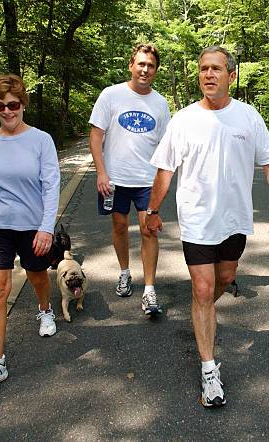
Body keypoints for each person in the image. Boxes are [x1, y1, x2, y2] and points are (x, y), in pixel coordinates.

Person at [147, 46, 269, 407]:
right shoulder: (183, 120)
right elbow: (165, 169)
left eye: (216, 69)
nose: (209, 75)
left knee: (224, 278)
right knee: (203, 286)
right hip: (196, 220)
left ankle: (202, 315)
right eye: (203, 69)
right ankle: (210, 370)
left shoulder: (248, 117)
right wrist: (152, 209)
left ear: (230, 75)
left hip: (235, 220)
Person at [0, 74, 60, 391]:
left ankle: (45, 309)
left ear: (23, 104)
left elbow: (51, 186)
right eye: (0, 106)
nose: (7, 111)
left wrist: (47, 226)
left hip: (31, 225)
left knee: (36, 274)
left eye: (13, 104)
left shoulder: (41, 140)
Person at [89, 43, 171, 314]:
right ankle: (125, 271)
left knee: (149, 230)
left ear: (156, 70)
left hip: (147, 180)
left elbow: (165, 146)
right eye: (141, 64)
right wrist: (101, 172)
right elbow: (96, 135)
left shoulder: (160, 103)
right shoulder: (111, 95)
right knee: (120, 226)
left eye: (151, 66)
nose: (145, 69)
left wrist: (163, 181)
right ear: (131, 65)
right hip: (114, 180)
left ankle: (149, 290)